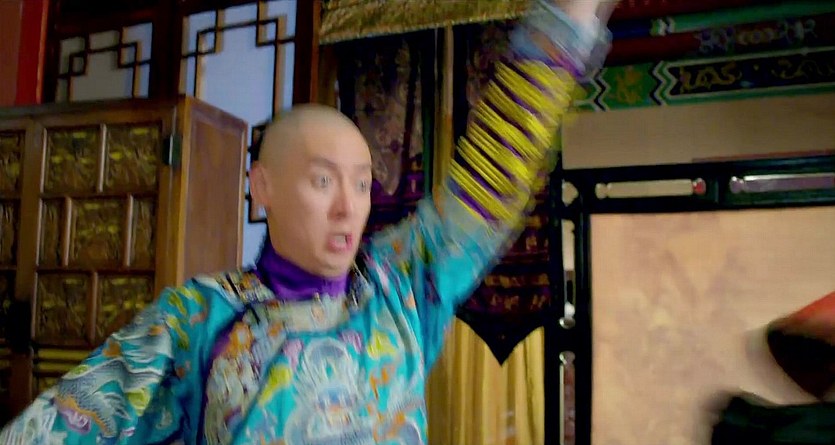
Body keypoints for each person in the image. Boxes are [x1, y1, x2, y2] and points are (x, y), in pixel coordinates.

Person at [0, 0, 615, 443]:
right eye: (323, 181)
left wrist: (563, 28)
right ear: (262, 187)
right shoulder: (196, 319)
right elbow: (60, 426)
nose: (349, 207)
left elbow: (488, 184)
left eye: (362, 182)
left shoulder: (400, 290)